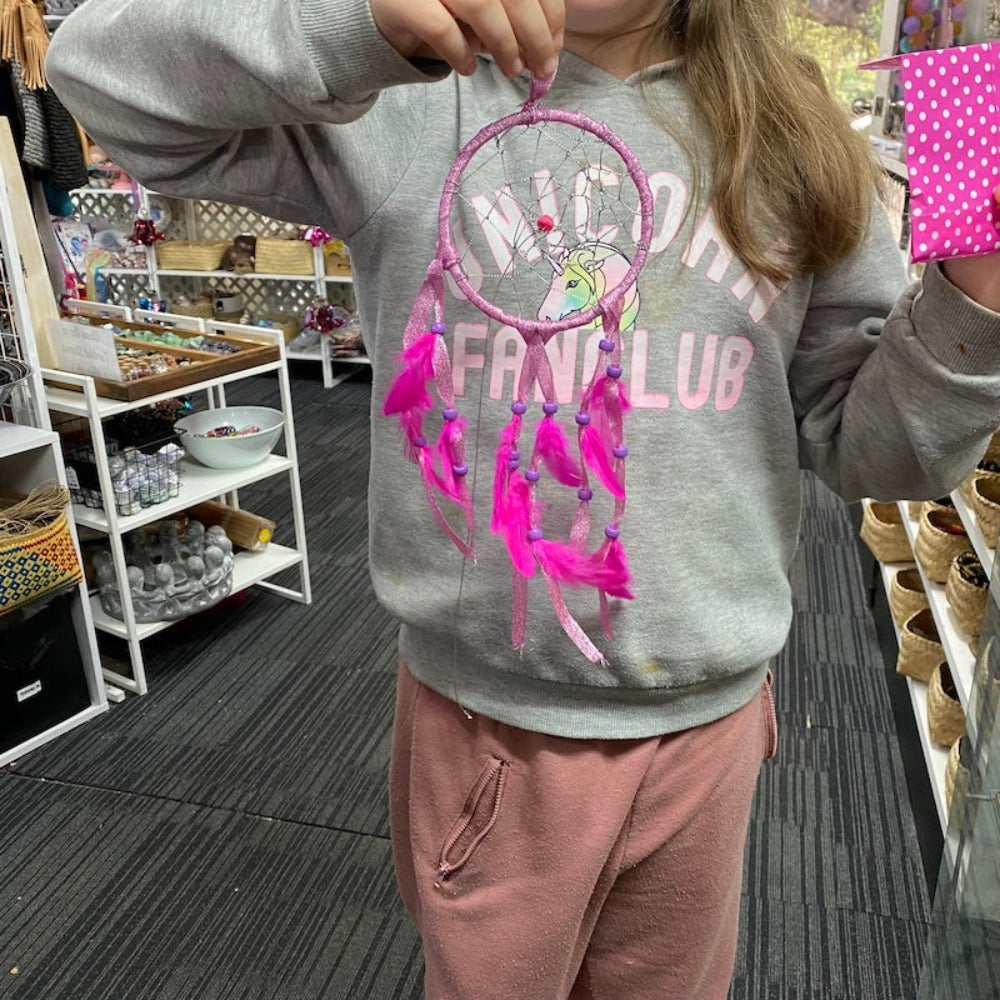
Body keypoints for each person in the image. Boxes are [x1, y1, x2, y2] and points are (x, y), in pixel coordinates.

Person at [48, 2, 1000, 998]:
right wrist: (360, 22)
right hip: (490, 728)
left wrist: (975, 291)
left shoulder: (792, 123)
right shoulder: (403, 96)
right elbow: (99, 78)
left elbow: (876, 446)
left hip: (706, 729)